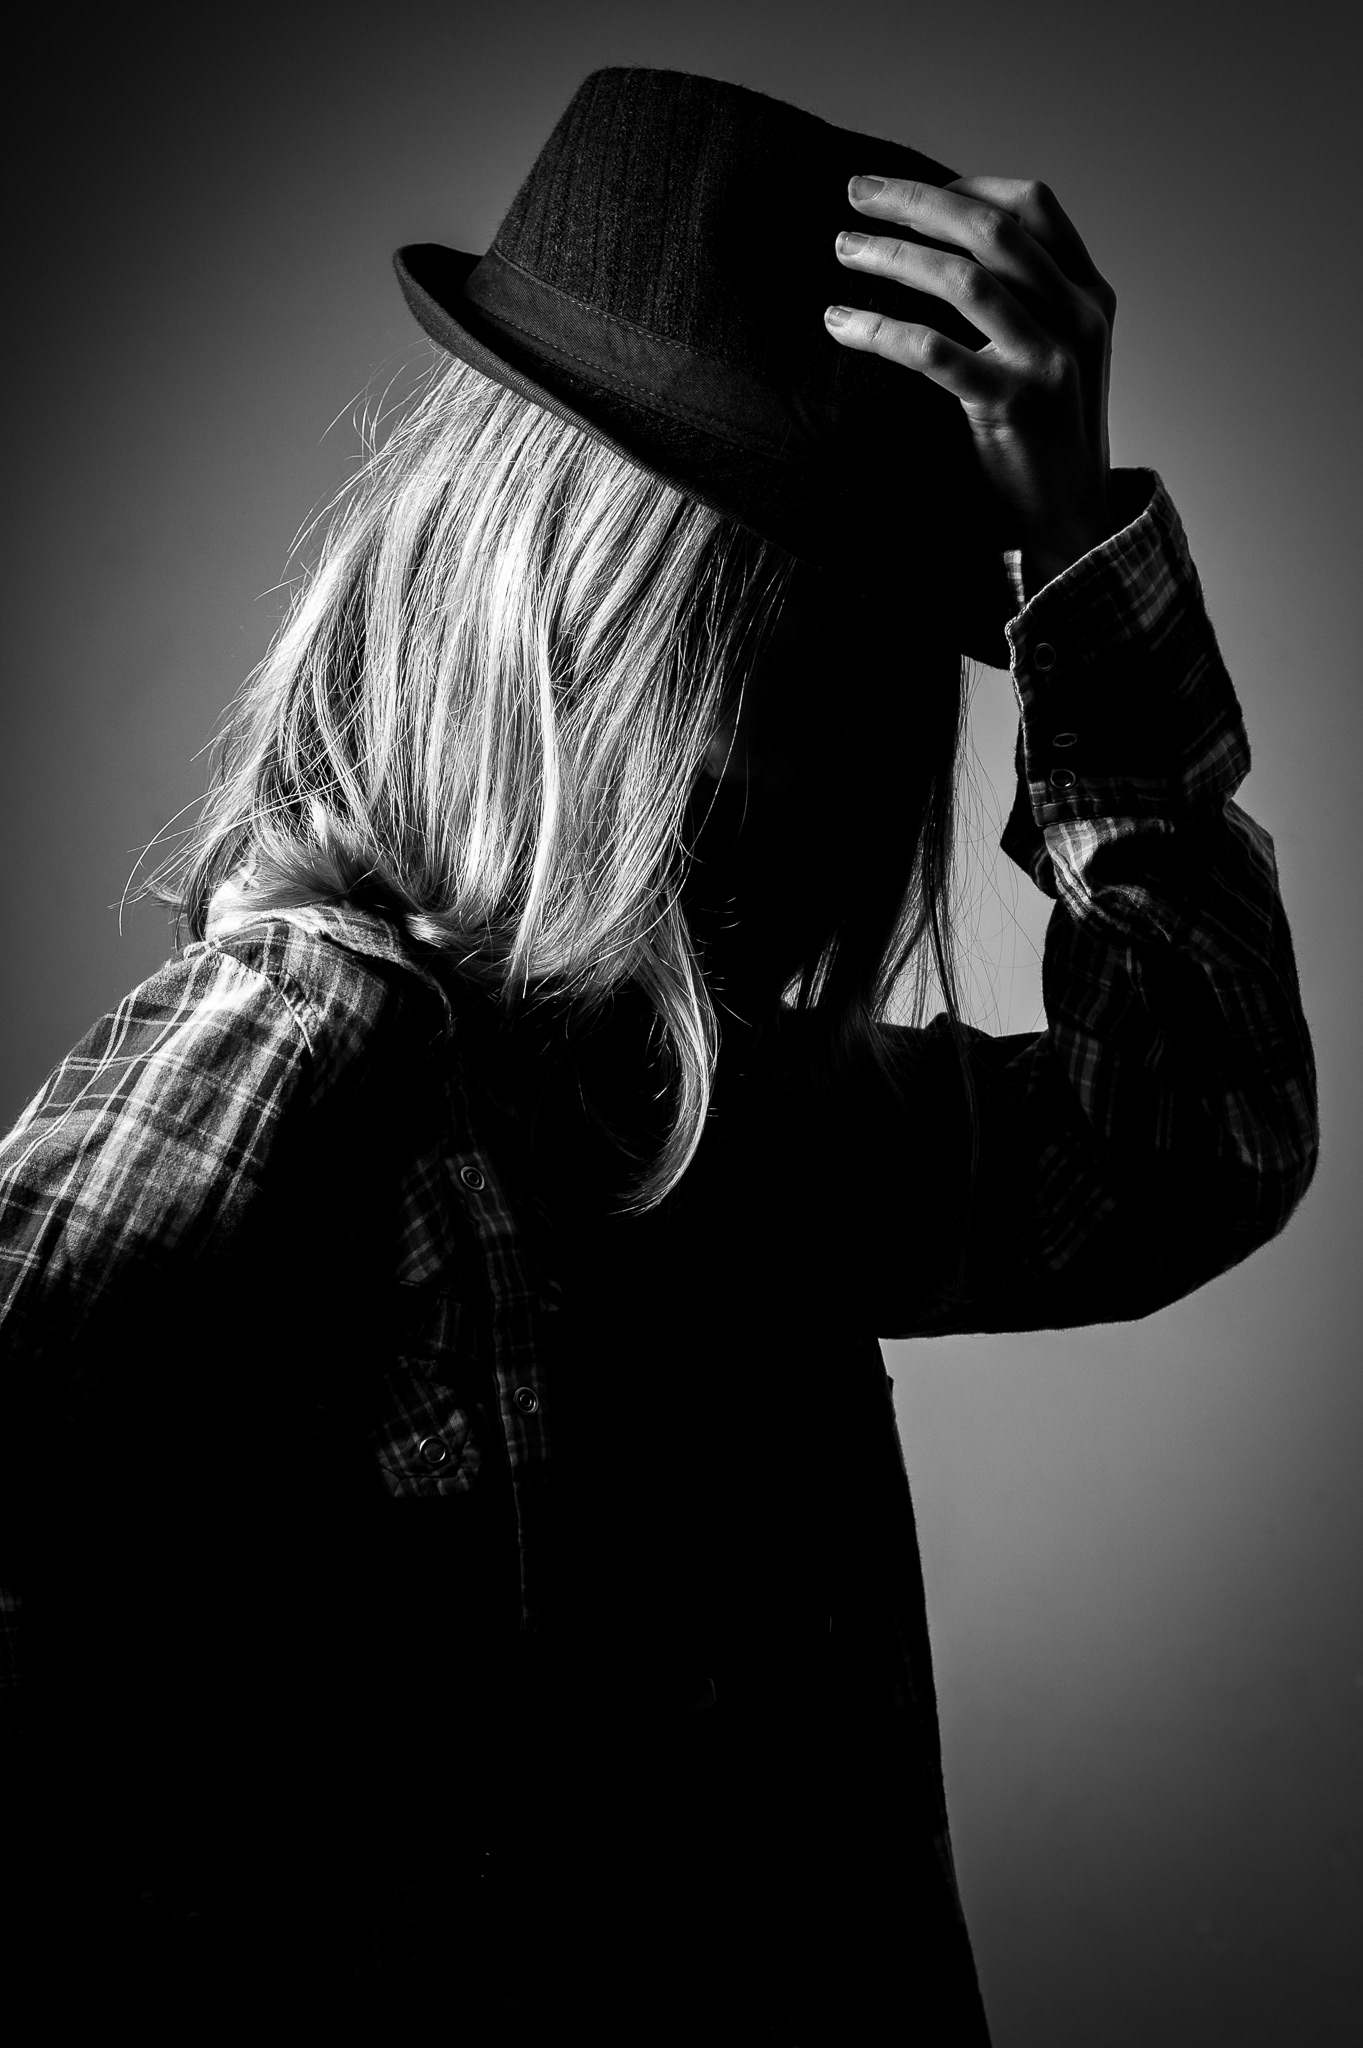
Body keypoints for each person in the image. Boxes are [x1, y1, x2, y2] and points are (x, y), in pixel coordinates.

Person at [0, 66, 1317, 2044]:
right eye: (766, 652)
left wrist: (1066, 539)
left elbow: (1192, 1140)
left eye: (856, 670)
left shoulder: (700, 1109)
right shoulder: (307, 1042)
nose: (807, 772)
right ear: (579, 608)